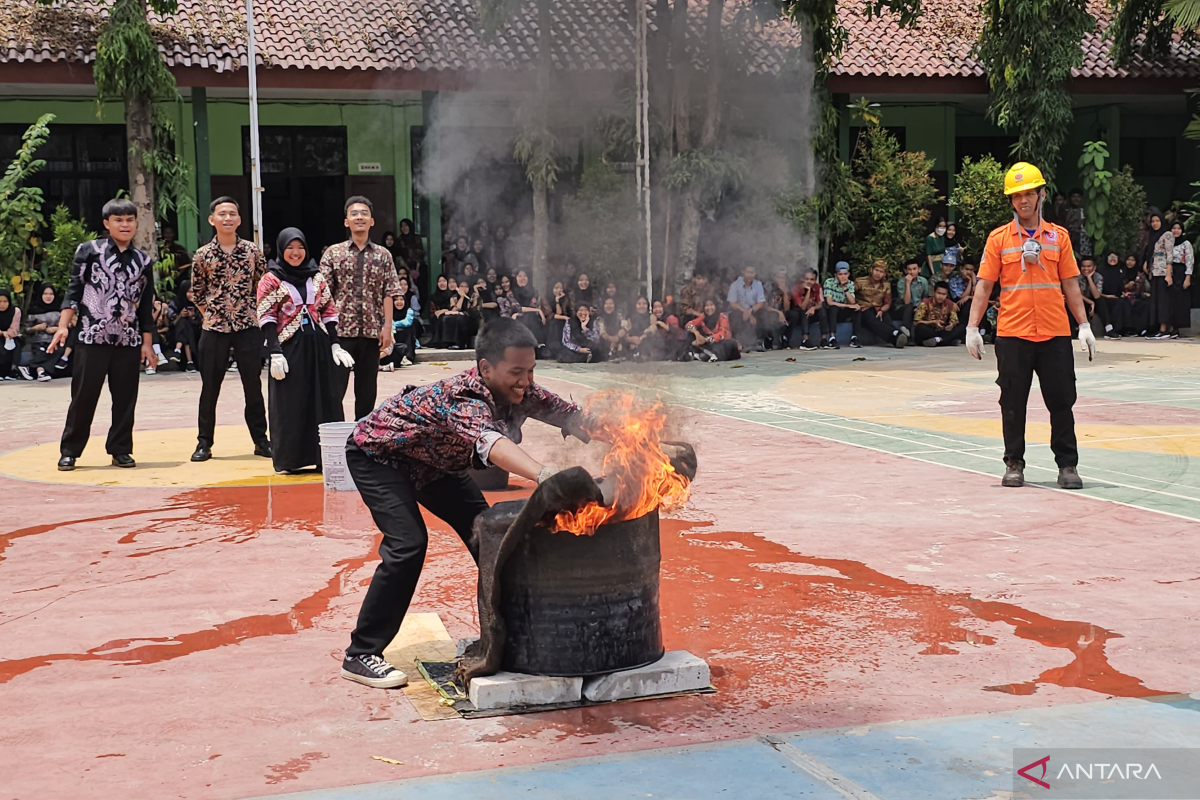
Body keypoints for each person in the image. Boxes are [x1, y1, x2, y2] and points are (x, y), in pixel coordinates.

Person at [341, 318, 593, 688]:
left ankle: (518, 634)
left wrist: (646, 443)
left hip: (435, 464)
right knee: (408, 543)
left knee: (490, 537)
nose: (525, 381)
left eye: (531, 370)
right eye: (516, 372)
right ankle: (361, 653)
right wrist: (543, 474)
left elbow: (574, 418)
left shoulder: (524, 391)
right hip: (380, 458)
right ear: (486, 368)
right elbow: (491, 443)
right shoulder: (464, 397)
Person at [965, 162, 1094, 490]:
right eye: (1017, 195)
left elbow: (1070, 284)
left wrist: (1083, 325)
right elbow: (983, 285)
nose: (1024, 200)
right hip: (1012, 335)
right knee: (1012, 402)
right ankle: (1014, 463)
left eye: (1029, 193)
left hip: (1054, 334)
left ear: (1041, 195)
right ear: (1011, 200)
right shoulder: (998, 240)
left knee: (1062, 401)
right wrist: (972, 327)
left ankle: (1067, 465)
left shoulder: (1058, 237)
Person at [49, 198, 157, 471]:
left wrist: (148, 344)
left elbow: (145, 305)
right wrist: (63, 326)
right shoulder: (89, 251)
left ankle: (120, 449)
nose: (125, 224)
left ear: (136, 223)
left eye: (130, 220)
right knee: (84, 396)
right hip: (91, 336)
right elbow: (73, 292)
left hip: (128, 340)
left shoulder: (143, 260)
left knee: (125, 398)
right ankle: (70, 450)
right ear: (107, 224)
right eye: (118, 220)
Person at [257, 228, 349, 473]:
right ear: (281, 250)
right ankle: (291, 459)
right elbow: (266, 316)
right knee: (291, 403)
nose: (295, 253)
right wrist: (274, 352)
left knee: (323, 399)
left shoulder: (316, 277)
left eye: (300, 248)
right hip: (289, 349)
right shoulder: (270, 279)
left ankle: (324, 457)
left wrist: (335, 344)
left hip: (318, 346)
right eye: (290, 248)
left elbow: (328, 311)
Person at [188, 196, 271, 462]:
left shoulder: (252, 251)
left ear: (239, 220)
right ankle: (204, 443)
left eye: (232, 213)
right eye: (222, 214)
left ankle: (261, 440)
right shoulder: (202, 255)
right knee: (210, 388)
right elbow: (197, 292)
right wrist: (212, 315)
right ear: (212, 219)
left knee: (252, 386)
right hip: (214, 328)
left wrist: (252, 313)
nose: (227, 218)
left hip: (247, 326)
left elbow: (263, 286)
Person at [321, 196, 402, 420]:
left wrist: (388, 327)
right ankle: (335, 435)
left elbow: (388, 291)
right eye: (354, 213)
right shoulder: (333, 254)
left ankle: (361, 438)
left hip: (371, 332)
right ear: (346, 221)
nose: (359, 217)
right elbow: (323, 294)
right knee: (334, 389)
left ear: (372, 221)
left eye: (364, 213)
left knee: (366, 390)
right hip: (340, 333)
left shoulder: (383, 255)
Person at [854, 260, 909, 348]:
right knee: (871, 318)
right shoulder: (860, 281)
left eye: (881, 272)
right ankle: (896, 332)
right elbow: (850, 296)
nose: (878, 273)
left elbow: (887, 303)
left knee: (885, 317)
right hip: (863, 310)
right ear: (871, 270)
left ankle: (896, 339)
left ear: (884, 274)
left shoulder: (886, 285)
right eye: (876, 270)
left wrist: (881, 310)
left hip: (878, 309)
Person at [1141, 210, 1175, 340]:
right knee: (1156, 301)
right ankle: (1157, 328)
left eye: (1157, 221)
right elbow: (1150, 252)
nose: (1155, 224)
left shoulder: (1167, 235)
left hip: (1163, 272)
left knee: (1163, 301)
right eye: (1153, 221)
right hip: (1154, 272)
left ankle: (1164, 329)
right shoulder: (1152, 235)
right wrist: (1146, 264)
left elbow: (1169, 254)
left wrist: (1168, 274)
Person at [24, 283, 61, 381]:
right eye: (45, 294)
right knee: (41, 351)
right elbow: (26, 329)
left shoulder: (59, 310)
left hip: (55, 340)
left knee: (58, 351)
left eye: (51, 294)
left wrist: (56, 329)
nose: (48, 296)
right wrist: (36, 328)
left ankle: (36, 369)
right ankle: (41, 371)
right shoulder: (34, 311)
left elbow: (66, 327)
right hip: (38, 340)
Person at [726, 266, 769, 351]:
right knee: (736, 316)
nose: (750, 275)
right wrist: (746, 312)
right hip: (740, 309)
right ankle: (741, 343)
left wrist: (750, 311)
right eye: (748, 272)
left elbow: (760, 302)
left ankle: (758, 341)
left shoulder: (758, 284)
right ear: (743, 272)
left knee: (763, 314)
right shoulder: (735, 285)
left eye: (752, 273)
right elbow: (732, 303)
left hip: (753, 309)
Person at [913, 282, 964, 346]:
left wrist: (951, 325)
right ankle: (945, 341)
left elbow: (954, 321)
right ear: (934, 292)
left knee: (961, 327)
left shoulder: (950, 304)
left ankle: (938, 340)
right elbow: (916, 322)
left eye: (944, 294)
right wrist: (933, 322)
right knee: (920, 328)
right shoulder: (925, 303)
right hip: (929, 330)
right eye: (939, 293)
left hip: (942, 330)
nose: (941, 296)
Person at [789, 269, 829, 351]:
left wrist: (813, 308)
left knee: (822, 311)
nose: (809, 282)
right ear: (802, 279)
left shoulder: (817, 287)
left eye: (812, 279)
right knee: (804, 311)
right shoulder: (796, 288)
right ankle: (805, 340)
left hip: (811, 313)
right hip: (799, 316)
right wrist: (808, 290)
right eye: (807, 279)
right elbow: (802, 306)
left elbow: (820, 304)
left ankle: (824, 340)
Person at [1077, 256, 1116, 340]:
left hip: (1094, 299)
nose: (1086, 269)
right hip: (1081, 300)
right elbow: (1076, 294)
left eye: (1089, 266)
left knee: (1101, 301)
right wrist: (1091, 302)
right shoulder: (1077, 277)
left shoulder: (1098, 277)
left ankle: (1108, 328)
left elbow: (1096, 295)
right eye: (1083, 266)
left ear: (1094, 267)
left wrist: (1089, 278)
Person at [822, 261, 858, 348]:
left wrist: (845, 288)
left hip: (842, 311)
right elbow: (829, 302)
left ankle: (854, 338)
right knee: (833, 308)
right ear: (835, 275)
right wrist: (847, 306)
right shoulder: (829, 282)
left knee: (857, 309)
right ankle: (832, 338)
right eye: (840, 274)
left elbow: (852, 302)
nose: (843, 277)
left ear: (848, 274)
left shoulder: (850, 284)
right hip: (831, 311)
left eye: (845, 274)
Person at [1168, 220, 1193, 336]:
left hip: (1181, 272)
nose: (1176, 231)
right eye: (1174, 228)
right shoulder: (1168, 243)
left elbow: (1189, 261)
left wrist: (1187, 277)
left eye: (1178, 228)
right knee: (1170, 300)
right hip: (1169, 272)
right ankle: (1169, 326)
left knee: (1180, 301)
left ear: (1182, 230)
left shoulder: (1186, 244)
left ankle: (1177, 328)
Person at [894, 258, 931, 336]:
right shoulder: (901, 283)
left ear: (919, 269)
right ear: (905, 271)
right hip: (903, 308)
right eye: (909, 270)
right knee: (909, 307)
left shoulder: (923, 281)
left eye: (914, 269)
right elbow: (906, 302)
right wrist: (907, 284)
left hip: (918, 307)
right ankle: (906, 331)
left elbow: (925, 298)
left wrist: (919, 308)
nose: (912, 272)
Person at [625, 296, 658, 361]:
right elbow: (626, 333)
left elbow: (654, 328)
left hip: (649, 345)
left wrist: (642, 337)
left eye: (644, 304)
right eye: (639, 304)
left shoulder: (652, 316)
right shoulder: (630, 318)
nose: (642, 306)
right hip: (633, 346)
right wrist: (631, 339)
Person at [0, 289, 21, 380]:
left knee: (16, 345)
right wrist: (1, 333)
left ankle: (12, 371)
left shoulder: (15, 311)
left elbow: (15, 327)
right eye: (0, 301)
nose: (2, 304)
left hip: (10, 337)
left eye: (5, 301)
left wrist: (10, 332)